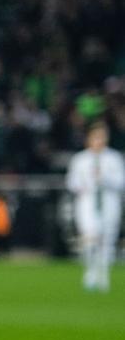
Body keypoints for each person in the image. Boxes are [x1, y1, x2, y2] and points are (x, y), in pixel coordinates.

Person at [66, 121, 124, 292]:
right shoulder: (80, 159)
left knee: (107, 240)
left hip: (109, 202)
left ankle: (103, 275)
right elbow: (72, 182)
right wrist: (85, 183)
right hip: (88, 203)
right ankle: (90, 272)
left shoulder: (114, 158)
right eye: (96, 137)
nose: (99, 140)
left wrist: (104, 178)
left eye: (102, 137)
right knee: (90, 238)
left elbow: (121, 182)